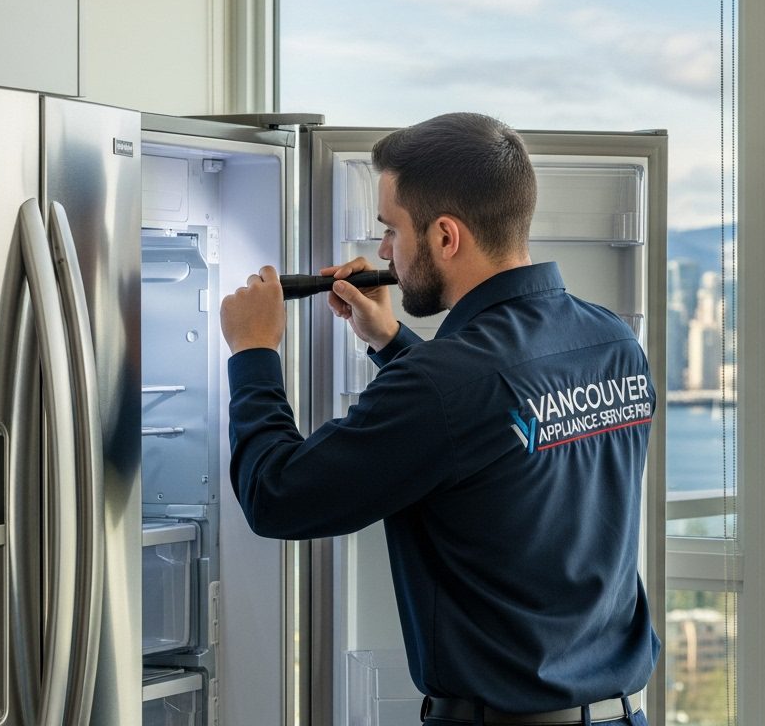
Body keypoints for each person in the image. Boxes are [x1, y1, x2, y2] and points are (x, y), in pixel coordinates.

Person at [219, 112, 658, 726]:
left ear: (446, 236)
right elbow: (491, 422)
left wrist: (253, 352)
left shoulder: (444, 383)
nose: (383, 252)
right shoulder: (611, 340)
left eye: (391, 229)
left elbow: (277, 495)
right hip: (621, 715)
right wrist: (390, 340)